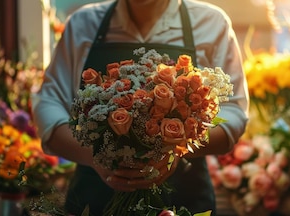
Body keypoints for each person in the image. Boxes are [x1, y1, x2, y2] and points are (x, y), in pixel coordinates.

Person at [32, 0, 248, 215]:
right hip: (95, 201)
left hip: (184, 199)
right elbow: (49, 105)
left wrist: (175, 152)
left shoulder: (211, 23)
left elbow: (234, 114)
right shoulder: (83, 23)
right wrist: (95, 156)